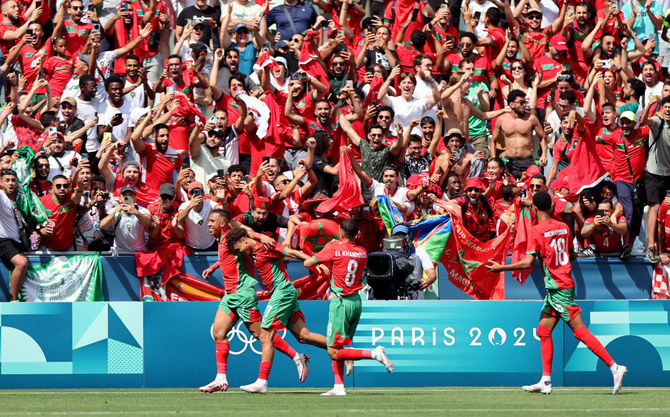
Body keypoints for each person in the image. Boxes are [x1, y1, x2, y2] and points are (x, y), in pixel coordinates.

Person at [487, 191, 627, 395]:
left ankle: (615, 367)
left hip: (558, 286)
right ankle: (545, 380)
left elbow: (528, 262)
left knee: (580, 331)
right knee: (543, 331)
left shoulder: (535, 231)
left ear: (534, 209)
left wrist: (501, 268)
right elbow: (571, 254)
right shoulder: (563, 227)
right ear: (552, 208)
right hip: (561, 284)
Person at [199, 209, 307, 393]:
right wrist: (215, 266)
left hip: (242, 294)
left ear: (223, 223)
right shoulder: (225, 240)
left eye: (212, 221)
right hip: (230, 295)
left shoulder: (232, 237)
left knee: (263, 336)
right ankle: (221, 379)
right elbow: (227, 257)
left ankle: (297, 357)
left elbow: (246, 233)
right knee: (218, 332)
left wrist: (260, 237)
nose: (208, 224)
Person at [226, 227, 327, 393]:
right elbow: (246, 232)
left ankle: (262, 382)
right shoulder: (254, 246)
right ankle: (342, 351)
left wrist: (315, 262)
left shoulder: (266, 247)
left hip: (283, 291)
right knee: (304, 336)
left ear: (243, 241)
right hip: (283, 292)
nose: (240, 253)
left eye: (239, 249)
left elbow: (292, 253)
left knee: (266, 335)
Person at [304, 219, 393, 396]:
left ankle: (374, 354)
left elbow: (307, 263)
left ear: (340, 233)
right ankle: (338, 386)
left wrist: (323, 257)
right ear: (356, 234)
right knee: (339, 347)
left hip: (340, 303)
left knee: (333, 351)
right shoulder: (362, 252)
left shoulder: (333, 248)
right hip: (356, 302)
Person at [491, 89, 547, 179]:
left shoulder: (531, 118)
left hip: (527, 160)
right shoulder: (502, 120)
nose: (524, 105)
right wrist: (493, 159)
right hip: (509, 161)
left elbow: (542, 137)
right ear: (511, 104)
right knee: (509, 189)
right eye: (521, 102)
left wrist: (544, 154)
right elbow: (493, 141)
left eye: (525, 102)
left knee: (531, 188)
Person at [0, 169, 30, 301]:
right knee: (22, 263)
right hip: (4, 241)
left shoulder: (20, 198)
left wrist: (35, 232)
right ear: (1, 182)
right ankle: (13, 299)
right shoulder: (1, 196)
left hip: (20, 241)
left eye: (13, 180)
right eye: (7, 180)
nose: (11, 183)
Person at [99, 186, 152, 253]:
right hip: (121, 252)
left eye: (130, 196)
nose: (127, 198)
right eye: (125, 196)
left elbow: (148, 223)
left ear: (135, 198)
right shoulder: (115, 210)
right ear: (120, 198)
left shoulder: (142, 210)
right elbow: (102, 226)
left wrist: (136, 212)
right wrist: (114, 213)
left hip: (140, 252)